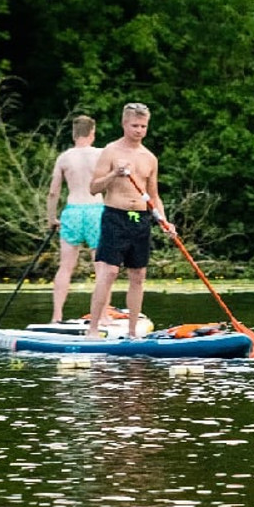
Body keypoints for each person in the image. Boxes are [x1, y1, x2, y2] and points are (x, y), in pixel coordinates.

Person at [85, 102, 163, 339]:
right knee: (108, 272)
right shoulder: (111, 151)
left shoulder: (149, 158)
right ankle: (93, 329)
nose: (139, 130)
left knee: (138, 275)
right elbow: (93, 188)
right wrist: (114, 174)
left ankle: (132, 333)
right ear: (124, 124)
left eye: (143, 126)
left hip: (140, 218)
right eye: (134, 125)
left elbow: (154, 196)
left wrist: (164, 221)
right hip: (114, 216)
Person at [46, 115, 103, 324]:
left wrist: (51, 218)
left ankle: (56, 316)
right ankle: (103, 316)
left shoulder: (64, 157)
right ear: (92, 132)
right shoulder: (101, 154)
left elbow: (53, 192)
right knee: (101, 268)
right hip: (96, 209)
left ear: (73, 133)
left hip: (72, 211)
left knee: (65, 267)